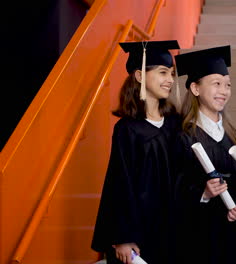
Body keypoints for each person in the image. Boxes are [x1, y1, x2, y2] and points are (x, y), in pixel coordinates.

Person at [91, 40, 181, 264]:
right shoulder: (127, 129)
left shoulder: (175, 124)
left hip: (173, 228)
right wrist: (123, 236)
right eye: (162, 72)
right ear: (139, 76)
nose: (170, 79)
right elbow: (119, 183)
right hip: (140, 231)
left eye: (171, 73)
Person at [173, 46, 236, 264]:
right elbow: (172, 186)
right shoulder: (182, 135)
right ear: (195, 88)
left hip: (228, 231)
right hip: (195, 234)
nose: (224, 90)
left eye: (228, 85)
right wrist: (203, 194)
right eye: (216, 83)